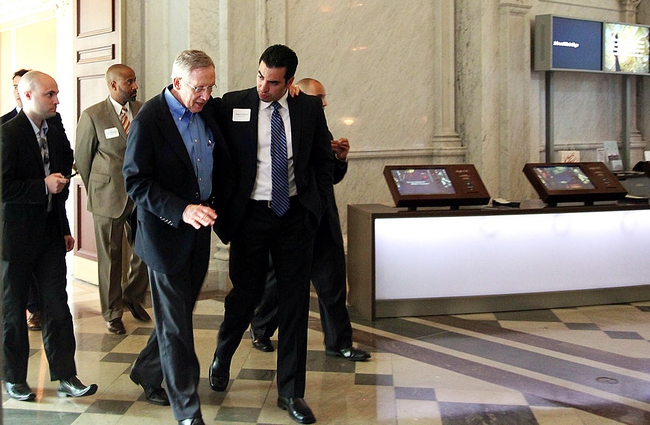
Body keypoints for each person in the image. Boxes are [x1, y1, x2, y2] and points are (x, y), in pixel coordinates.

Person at [210, 44, 333, 425]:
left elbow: (322, 158)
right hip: (251, 216)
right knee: (244, 295)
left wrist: (314, 205)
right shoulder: (233, 103)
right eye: (260, 76)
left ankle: (291, 393)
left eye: (274, 82)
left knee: (295, 302)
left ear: (290, 82)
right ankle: (223, 354)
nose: (264, 86)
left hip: (294, 216)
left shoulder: (307, 108)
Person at [123, 50, 232, 425]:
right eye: (199, 88)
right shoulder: (149, 120)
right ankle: (186, 410)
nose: (206, 95)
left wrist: (292, 92)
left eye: (210, 87)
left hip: (199, 232)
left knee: (179, 314)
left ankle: (146, 369)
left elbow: (247, 101)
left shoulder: (208, 110)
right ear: (177, 83)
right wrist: (181, 209)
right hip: (165, 234)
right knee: (176, 327)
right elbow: (136, 182)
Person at [249, 78, 370, 362]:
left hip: (323, 219)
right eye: (319, 98)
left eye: (324, 98)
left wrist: (339, 159)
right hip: (292, 220)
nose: (325, 103)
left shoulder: (321, 125)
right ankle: (261, 328)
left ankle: (339, 342)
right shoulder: (284, 123)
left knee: (332, 283)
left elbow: (328, 179)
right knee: (278, 282)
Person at [1, 70, 97, 401]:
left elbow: (61, 177)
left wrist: (65, 228)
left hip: (49, 236)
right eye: (50, 95)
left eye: (56, 93)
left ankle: (66, 375)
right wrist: (41, 185)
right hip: (13, 239)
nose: (57, 100)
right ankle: (14, 378)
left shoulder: (53, 129)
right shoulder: (7, 134)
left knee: (57, 306)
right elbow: (3, 187)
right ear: (27, 96)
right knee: (12, 309)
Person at [75, 64, 150, 335]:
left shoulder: (143, 111)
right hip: (108, 194)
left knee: (144, 248)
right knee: (111, 256)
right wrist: (99, 187)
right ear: (114, 85)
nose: (135, 86)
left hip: (140, 194)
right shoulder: (93, 115)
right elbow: (83, 159)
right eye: (129, 82)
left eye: (134, 80)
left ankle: (132, 295)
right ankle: (112, 312)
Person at [2, 68, 44, 332]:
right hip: (14, 215)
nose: (18, 92)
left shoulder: (51, 122)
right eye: (14, 87)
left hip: (43, 216)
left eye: (22, 86)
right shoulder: (4, 125)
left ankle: (37, 308)